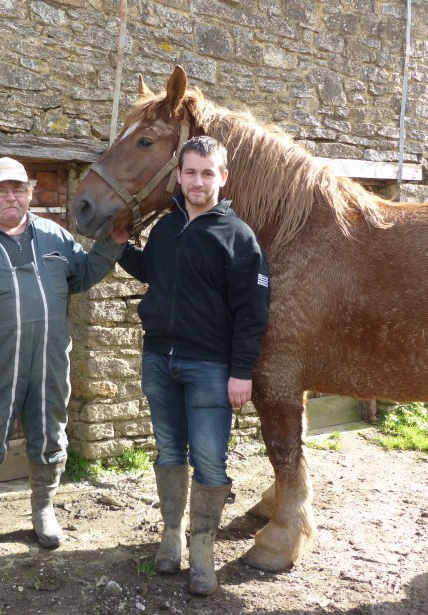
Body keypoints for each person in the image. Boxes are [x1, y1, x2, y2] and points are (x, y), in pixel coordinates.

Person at [0, 157, 127, 557]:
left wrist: (112, 243)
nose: (10, 197)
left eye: (18, 189)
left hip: (49, 361)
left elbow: (83, 275)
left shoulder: (54, 236)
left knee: (49, 435)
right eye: (1, 190)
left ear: (30, 193)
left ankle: (43, 513)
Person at [118, 136, 270, 596]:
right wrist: (124, 248)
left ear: (223, 178)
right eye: (190, 172)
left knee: (208, 459)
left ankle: (202, 550)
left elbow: (253, 310)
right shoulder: (167, 228)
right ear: (179, 177)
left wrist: (242, 371)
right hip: (158, 360)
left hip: (210, 367)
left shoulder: (239, 237)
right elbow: (153, 272)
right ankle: (171, 537)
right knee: (168, 451)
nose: (198, 181)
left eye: (208, 173)